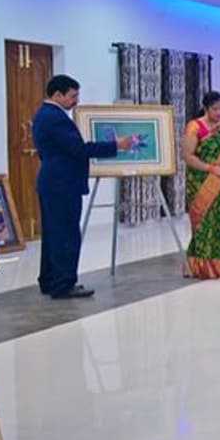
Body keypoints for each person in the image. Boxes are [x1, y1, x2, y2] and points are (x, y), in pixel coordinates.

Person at [33, 74, 136, 299]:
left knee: (53, 235)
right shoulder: (55, 118)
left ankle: (50, 280)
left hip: (52, 182)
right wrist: (115, 145)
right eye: (73, 96)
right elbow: (79, 149)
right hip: (62, 185)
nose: (76, 101)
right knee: (66, 236)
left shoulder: (44, 114)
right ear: (57, 95)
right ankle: (63, 284)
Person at [180, 91, 220, 279]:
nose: (219, 113)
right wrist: (211, 168)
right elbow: (187, 156)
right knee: (204, 223)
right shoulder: (194, 127)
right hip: (201, 182)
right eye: (215, 109)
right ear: (206, 108)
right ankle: (200, 266)